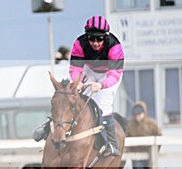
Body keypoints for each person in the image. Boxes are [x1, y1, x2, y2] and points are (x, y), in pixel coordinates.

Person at [32, 15, 124, 157]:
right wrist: (77, 82)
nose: (95, 43)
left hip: (109, 74)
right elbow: (75, 69)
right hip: (90, 69)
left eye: (99, 39)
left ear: (105, 37)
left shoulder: (115, 46)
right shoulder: (79, 44)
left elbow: (115, 74)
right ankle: (47, 127)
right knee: (72, 98)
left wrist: (101, 85)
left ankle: (112, 144)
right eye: (91, 38)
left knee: (103, 104)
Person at [126, 101, 162, 169]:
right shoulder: (130, 124)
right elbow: (126, 138)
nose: (138, 116)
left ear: (144, 113)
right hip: (136, 156)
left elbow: (159, 137)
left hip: (150, 157)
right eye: (136, 114)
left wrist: (155, 152)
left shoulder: (152, 123)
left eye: (140, 114)